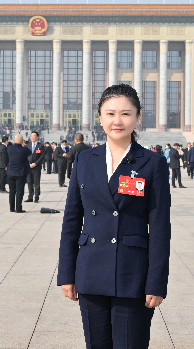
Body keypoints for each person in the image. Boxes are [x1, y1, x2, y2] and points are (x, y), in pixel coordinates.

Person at [58, 84, 171, 348]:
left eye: (125, 114)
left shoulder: (152, 163)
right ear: (100, 118)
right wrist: (67, 273)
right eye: (110, 114)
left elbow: (160, 227)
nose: (117, 121)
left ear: (137, 118)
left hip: (133, 273)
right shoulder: (85, 160)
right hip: (91, 270)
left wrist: (156, 282)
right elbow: (71, 221)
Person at [7, 134, 31, 213]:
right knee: (19, 191)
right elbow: (30, 152)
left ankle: (11, 208)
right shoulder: (24, 149)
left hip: (11, 172)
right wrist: (23, 144)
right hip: (20, 173)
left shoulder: (9, 148)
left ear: (14, 140)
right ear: (22, 141)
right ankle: (18, 208)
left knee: (12, 191)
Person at [25, 131, 44, 203]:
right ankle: (30, 197)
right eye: (31, 136)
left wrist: (35, 164)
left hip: (36, 167)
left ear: (37, 137)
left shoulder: (40, 146)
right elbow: (25, 156)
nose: (32, 137)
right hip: (29, 167)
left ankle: (36, 197)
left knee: (36, 182)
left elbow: (42, 157)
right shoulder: (28, 145)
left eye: (34, 136)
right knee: (29, 182)